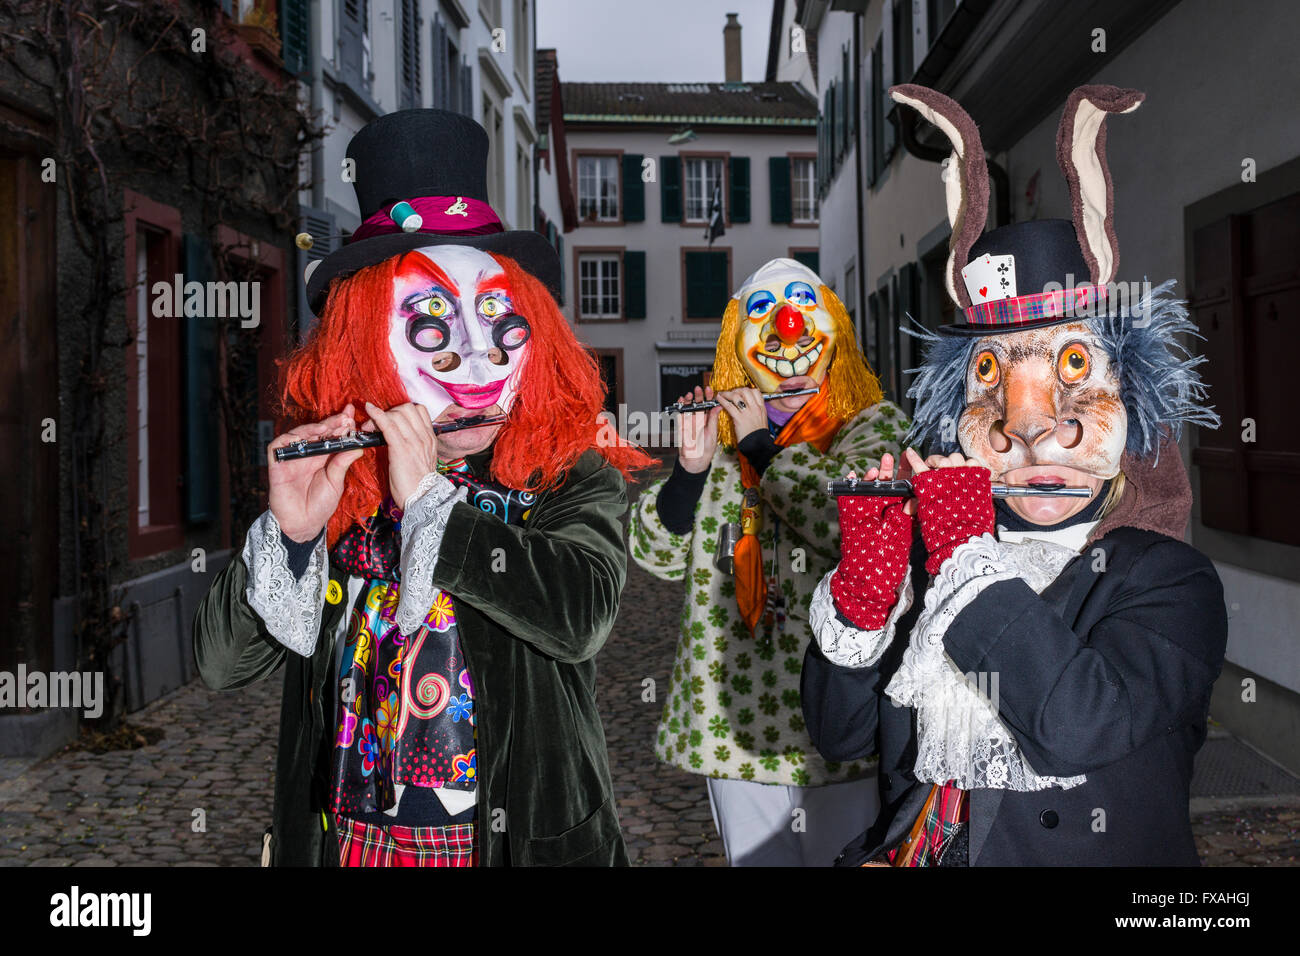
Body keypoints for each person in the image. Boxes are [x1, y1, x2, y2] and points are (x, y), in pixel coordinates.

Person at [193, 109, 650, 867]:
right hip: (354, 845)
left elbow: (580, 616)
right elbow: (221, 665)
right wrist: (296, 537)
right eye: (432, 325)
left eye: (501, 321)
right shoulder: (343, 482)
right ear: (364, 344)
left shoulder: (569, 475)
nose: (477, 361)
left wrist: (433, 507)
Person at [803, 84, 1226, 865]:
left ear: (1132, 408)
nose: (1026, 423)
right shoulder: (939, 568)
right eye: (990, 376)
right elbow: (841, 736)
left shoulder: (1171, 582)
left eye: (1072, 367)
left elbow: (1078, 725)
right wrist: (869, 594)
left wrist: (966, 558)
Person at [629, 258, 907, 865]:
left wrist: (762, 443)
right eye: (763, 314)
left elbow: (843, 528)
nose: (786, 327)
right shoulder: (724, 446)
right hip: (734, 726)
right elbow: (655, 552)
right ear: (738, 346)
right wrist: (691, 470)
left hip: (837, 721)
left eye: (804, 309)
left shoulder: (871, 427)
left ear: (835, 333)